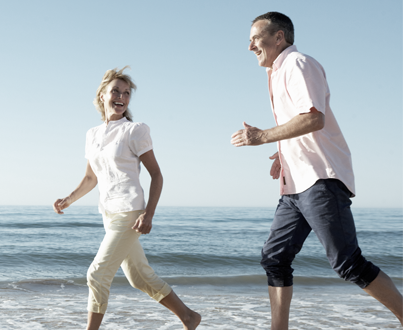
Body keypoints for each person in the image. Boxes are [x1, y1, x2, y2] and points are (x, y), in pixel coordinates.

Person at [232, 11, 403, 329]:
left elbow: (314, 117)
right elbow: (303, 124)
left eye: (255, 38)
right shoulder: (276, 73)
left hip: (319, 179)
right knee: (274, 258)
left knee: (348, 263)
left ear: (279, 37)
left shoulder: (298, 64)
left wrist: (262, 136)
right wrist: (282, 151)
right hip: (295, 184)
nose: (250, 46)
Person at [54, 67, 200, 330]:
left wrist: (149, 213)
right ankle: (188, 316)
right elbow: (91, 177)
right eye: (115, 91)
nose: (120, 97)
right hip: (109, 214)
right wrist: (68, 199)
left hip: (130, 211)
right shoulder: (92, 135)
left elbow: (157, 175)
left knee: (97, 274)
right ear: (102, 95)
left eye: (126, 93)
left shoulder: (135, 131)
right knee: (139, 277)